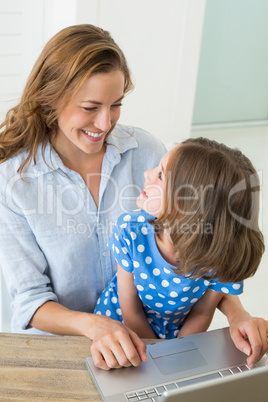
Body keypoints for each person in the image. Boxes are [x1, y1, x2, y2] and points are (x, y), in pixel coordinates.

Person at [0, 24, 267, 371]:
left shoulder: (146, 151)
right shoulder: (13, 180)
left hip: (149, 352)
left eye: (116, 105)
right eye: (90, 107)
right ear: (51, 98)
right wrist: (98, 326)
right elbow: (30, 302)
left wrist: (237, 314)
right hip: (60, 354)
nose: (105, 121)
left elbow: (198, 241)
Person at [94, 137, 268, 363]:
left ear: (190, 207)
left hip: (177, 333)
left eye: (160, 175)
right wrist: (155, 357)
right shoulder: (131, 230)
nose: (147, 174)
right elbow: (130, 309)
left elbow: (202, 312)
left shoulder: (217, 253)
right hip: (122, 327)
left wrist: (177, 355)